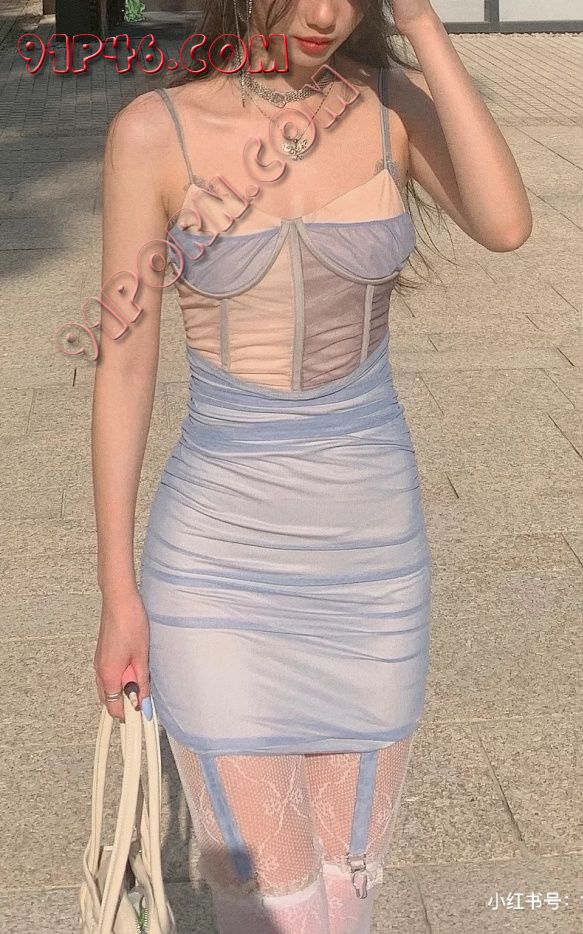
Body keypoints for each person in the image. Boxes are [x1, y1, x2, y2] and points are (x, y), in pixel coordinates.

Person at [91, 0, 532, 931]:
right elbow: (125, 370)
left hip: (374, 568)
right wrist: (117, 592)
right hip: (218, 567)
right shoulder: (153, 134)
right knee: (274, 909)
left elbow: (505, 223)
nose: (327, 13)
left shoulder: (390, 108)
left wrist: (424, 27)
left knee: (347, 893)